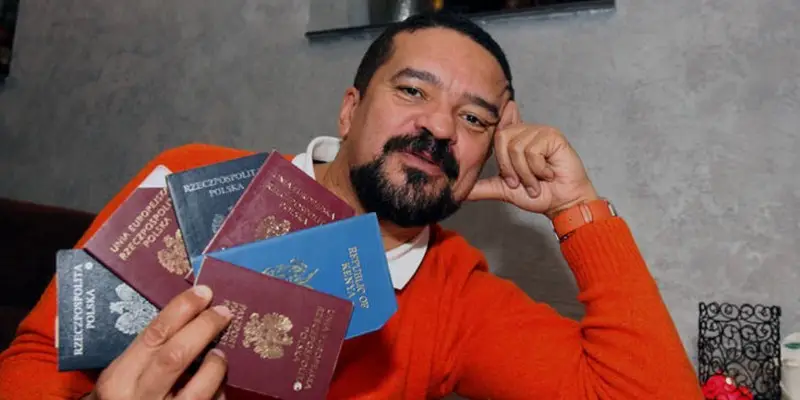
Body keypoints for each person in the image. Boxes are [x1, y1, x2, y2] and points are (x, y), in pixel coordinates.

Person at [0, 11, 704, 400]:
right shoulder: (195, 178)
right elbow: (36, 358)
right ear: (349, 110)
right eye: (412, 91)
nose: (438, 127)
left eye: (474, 119)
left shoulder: (458, 296)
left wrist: (577, 207)